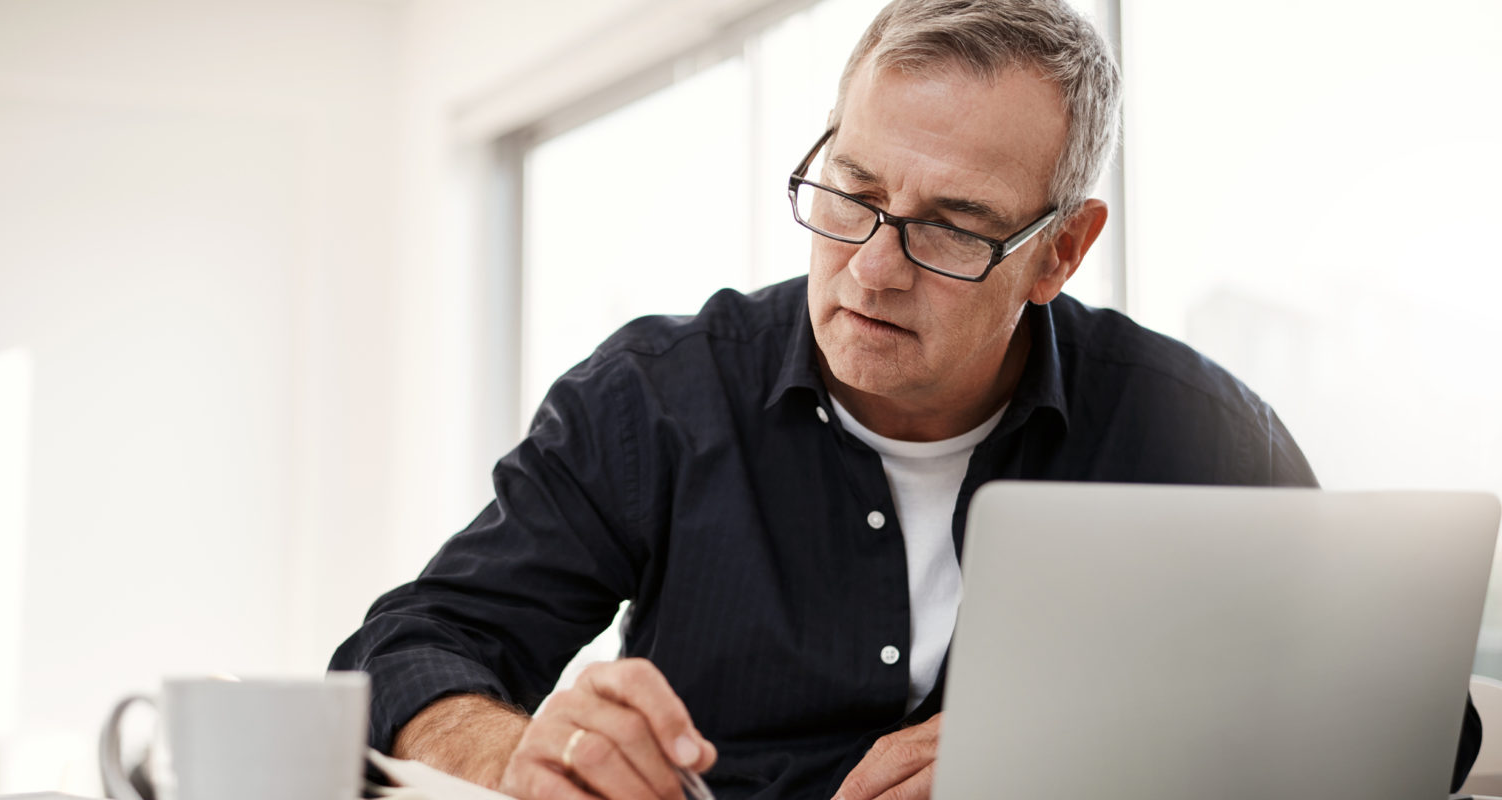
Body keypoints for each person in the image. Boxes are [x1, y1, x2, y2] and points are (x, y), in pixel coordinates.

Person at [332, 0, 1481, 797]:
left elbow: (1417, 730)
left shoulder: (1196, 429)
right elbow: (402, 649)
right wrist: (520, 750)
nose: (873, 266)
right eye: (854, 190)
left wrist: (1076, 760)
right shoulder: (654, 400)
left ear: (1060, 252)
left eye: (949, 226)